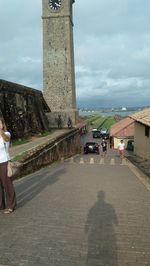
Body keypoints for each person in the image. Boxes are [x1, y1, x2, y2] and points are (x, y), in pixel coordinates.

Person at [0, 118, 17, 214]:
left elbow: (6, 140)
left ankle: (11, 205)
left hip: (4, 163)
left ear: (2, 124)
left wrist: (0, 131)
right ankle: (1, 205)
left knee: (7, 184)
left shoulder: (6, 134)